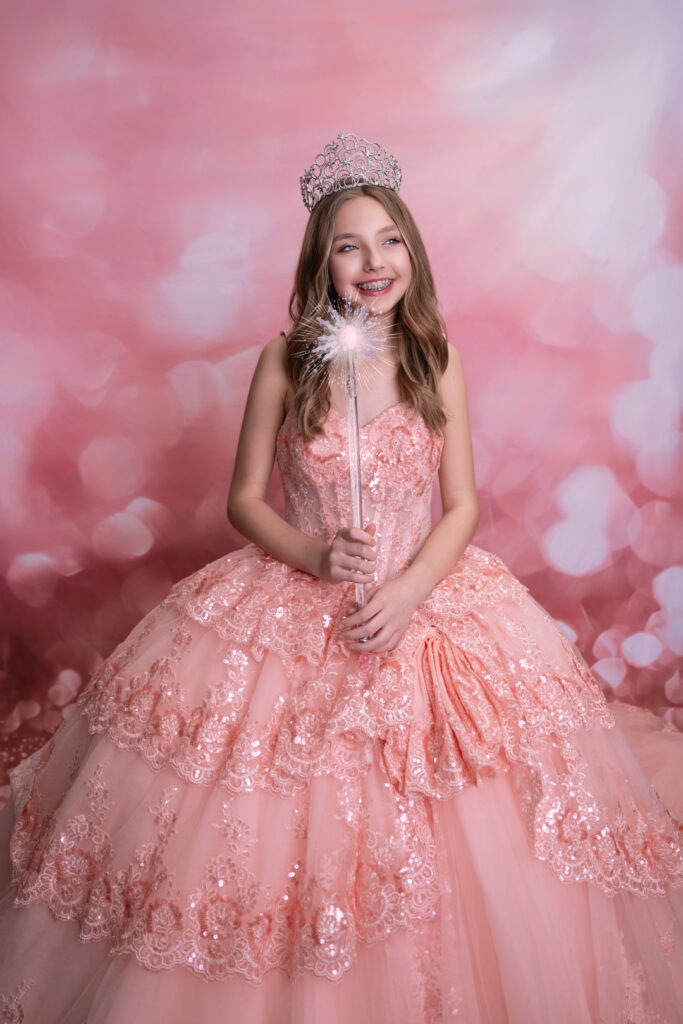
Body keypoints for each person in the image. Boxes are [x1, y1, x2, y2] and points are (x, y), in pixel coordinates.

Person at [1, 132, 682, 1024]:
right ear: (322, 263)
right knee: (266, 809)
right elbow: (245, 500)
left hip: (425, 590)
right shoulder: (287, 359)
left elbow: (463, 506)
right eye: (349, 245)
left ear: (413, 250)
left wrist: (408, 590)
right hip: (297, 593)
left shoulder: (435, 358)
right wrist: (318, 556)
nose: (373, 261)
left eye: (389, 239)